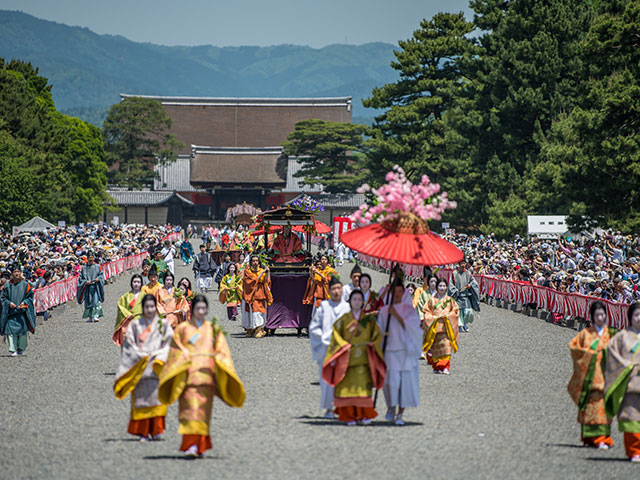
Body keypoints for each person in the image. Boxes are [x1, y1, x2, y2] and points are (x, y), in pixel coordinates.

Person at [158, 295, 245, 458]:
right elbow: (175, 349)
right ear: (193, 310)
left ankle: (201, 446)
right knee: (189, 411)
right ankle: (190, 445)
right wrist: (186, 356)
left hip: (206, 376)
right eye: (198, 308)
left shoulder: (212, 329)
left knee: (203, 413)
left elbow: (222, 351)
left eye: (203, 309)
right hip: (188, 377)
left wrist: (215, 357)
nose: (200, 311)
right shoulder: (183, 329)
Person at [113, 294, 173, 442]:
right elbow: (129, 346)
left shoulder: (162, 324)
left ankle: (157, 430)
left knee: (157, 399)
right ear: (143, 308)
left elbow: (169, 344)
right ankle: (143, 432)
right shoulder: (135, 325)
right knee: (142, 399)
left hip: (157, 365)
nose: (150, 309)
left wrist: (158, 357)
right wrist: (142, 356)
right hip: (140, 365)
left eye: (152, 306)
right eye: (147, 307)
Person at [322, 289, 385, 425]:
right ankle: (349, 416)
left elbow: (377, 336)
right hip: (347, 359)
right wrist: (344, 347)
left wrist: (372, 345)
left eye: (359, 300)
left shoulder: (369, 321)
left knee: (363, 388)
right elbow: (336, 337)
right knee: (347, 389)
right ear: (350, 302)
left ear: (362, 302)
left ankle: (364, 415)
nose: (357, 302)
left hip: (364, 359)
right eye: (354, 299)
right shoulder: (343, 321)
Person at [567, 301, 614, 449]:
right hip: (589, 376)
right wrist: (590, 355)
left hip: (605, 376)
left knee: (602, 410)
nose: (600, 317)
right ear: (592, 317)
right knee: (589, 409)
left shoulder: (610, 335)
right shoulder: (585, 334)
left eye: (602, 314)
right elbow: (574, 349)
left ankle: (602, 438)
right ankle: (589, 438)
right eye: (597, 315)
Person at [378, 281, 422, 425]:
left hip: (405, 351)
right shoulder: (385, 310)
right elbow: (378, 330)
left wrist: (396, 315)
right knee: (390, 383)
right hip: (390, 351)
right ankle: (391, 406)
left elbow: (413, 329)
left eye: (399, 293)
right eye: (394, 292)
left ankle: (400, 414)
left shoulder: (409, 311)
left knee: (404, 384)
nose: (396, 295)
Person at [308, 275, 350, 419]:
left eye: (339, 288)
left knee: (343, 379)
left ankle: (342, 406)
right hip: (327, 348)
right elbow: (314, 328)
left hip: (343, 349)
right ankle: (329, 409)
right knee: (327, 380)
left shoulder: (347, 308)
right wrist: (326, 338)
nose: (337, 292)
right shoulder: (324, 307)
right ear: (329, 291)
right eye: (334, 289)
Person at [604, 303, 640, 462]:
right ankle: (634, 451)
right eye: (636, 315)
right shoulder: (621, 337)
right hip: (630, 382)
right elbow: (611, 353)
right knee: (631, 418)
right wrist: (625, 365)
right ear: (630, 317)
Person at [422, 277, 460, 375]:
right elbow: (426, 312)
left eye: (444, 286)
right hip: (435, 328)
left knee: (447, 347)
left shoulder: (450, 300)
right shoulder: (431, 301)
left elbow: (455, 311)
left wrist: (448, 316)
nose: (442, 288)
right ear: (437, 287)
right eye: (440, 286)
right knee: (435, 350)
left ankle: (445, 367)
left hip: (446, 328)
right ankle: (436, 367)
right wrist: (433, 318)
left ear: (446, 287)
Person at [0, 264, 36, 356]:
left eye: (18, 272)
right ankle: (13, 349)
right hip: (11, 312)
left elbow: (30, 297)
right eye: (15, 272)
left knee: (22, 330)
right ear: (12, 273)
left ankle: (21, 348)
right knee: (10, 331)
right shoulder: (7, 286)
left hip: (21, 312)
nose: (16, 273)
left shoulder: (26, 285)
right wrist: (9, 303)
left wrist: (24, 302)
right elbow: (2, 298)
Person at [241, 256, 272, 338]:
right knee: (253, 312)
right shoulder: (247, 271)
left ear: (259, 262)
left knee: (261, 311)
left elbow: (266, 281)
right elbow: (253, 280)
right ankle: (252, 329)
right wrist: (263, 273)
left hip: (261, 293)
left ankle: (259, 329)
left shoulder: (262, 270)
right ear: (251, 262)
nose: (255, 262)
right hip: (251, 294)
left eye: (256, 261)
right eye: (253, 261)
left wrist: (268, 272)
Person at [113, 274, 144, 347]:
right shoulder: (125, 296)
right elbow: (120, 306)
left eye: (138, 282)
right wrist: (128, 314)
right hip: (128, 321)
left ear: (141, 283)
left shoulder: (145, 295)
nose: (136, 284)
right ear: (131, 283)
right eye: (134, 282)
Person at [449, 262, 480, 333]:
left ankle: (465, 324)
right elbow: (451, 285)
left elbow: (474, 283)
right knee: (459, 312)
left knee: (467, 311)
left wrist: (471, 285)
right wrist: (456, 291)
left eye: (464, 263)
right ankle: (459, 325)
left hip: (466, 296)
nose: (463, 265)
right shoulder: (454, 273)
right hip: (458, 296)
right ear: (459, 264)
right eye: (461, 263)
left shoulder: (468, 273)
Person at [76, 252, 105, 323]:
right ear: (87, 258)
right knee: (88, 302)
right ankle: (90, 316)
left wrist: (98, 279)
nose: (91, 259)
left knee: (95, 301)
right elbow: (81, 278)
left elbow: (101, 275)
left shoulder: (98, 266)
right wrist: (85, 281)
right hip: (87, 287)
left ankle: (96, 315)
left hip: (95, 286)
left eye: (92, 257)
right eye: (90, 257)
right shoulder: (84, 268)